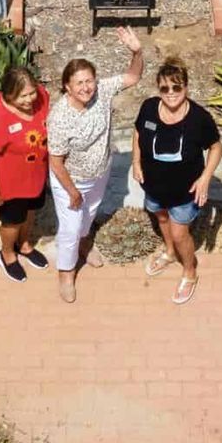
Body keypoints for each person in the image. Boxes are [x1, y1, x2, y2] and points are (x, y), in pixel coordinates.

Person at [47, 27, 144, 304]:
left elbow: (133, 76)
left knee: (88, 216)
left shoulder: (101, 92)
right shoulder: (60, 117)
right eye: (79, 83)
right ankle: (66, 273)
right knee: (69, 227)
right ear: (67, 86)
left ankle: (85, 243)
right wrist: (73, 191)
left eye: (89, 80)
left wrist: (136, 52)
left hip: (99, 173)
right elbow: (56, 161)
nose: (86, 87)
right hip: (70, 179)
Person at [132, 57, 222, 305]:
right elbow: (138, 132)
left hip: (185, 191)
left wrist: (205, 178)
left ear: (186, 87)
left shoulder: (199, 119)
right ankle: (170, 252)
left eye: (177, 87)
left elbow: (215, 148)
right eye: (165, 88)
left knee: (180, 232)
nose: (171, 93)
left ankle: (190, 272)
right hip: (153, 185)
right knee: (161, 216)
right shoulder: (149, 108)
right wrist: (136, 162)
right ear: (158, 89)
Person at [0, 67, 51, 284]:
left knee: (30, 212)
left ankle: (25, 244)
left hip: (36, 176)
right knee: (12, 221)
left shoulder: (41, 97)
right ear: (9, 94)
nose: (31, 99)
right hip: (11, 183)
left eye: (32, 93)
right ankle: (8, 253)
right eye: (24, 96)